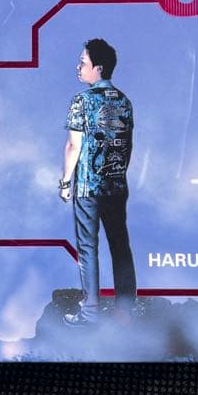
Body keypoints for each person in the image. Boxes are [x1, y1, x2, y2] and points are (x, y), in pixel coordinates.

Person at [59, 38, 137, 322]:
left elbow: (73, 146)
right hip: (116, 185)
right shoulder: (124, 101)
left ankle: (90, 312)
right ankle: (125, 311)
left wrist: (65, 182)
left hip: (87, 186)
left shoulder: (82, 101)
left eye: (83, 62)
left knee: (88, 248)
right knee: (120, 245)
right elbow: (127, 145)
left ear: (99, 68)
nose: (78, 67)